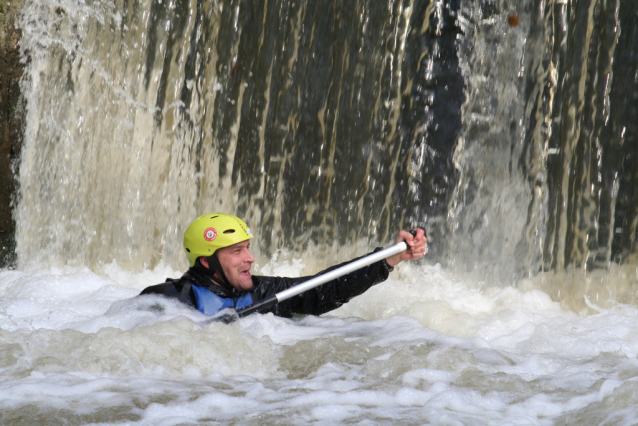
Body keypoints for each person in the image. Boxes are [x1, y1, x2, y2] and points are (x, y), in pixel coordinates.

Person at [140, 213, 426, 318]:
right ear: (207, 261)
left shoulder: (264, 293)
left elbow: (324, 289)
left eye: (248, 249)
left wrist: (389, 258)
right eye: (237, 251)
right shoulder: (168, 300)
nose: (250, 259)